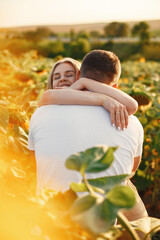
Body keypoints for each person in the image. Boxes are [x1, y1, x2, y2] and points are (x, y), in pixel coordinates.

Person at [28, 50, 148, 223]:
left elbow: (35, 164)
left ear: (78, 76)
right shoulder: (131, 121)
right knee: (127, 188)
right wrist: (102, 99)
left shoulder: (41, 113)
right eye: (57, 76)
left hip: (49, 219)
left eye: (69, 75)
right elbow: (130, 171)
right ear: (113, 87)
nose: (62, 80)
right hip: (101, 226)